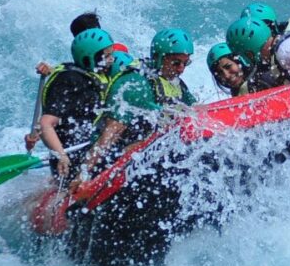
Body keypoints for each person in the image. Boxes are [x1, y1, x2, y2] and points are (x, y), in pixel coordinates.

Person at [83, 28, 196, 175]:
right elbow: (111, 133)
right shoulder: (136, 83)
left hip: (150, 152)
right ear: (158, 58)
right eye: (176, 63)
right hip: (113, 157)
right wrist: (84, 173)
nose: (181, 69)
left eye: (185, 63)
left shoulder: (175, 82)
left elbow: (197, 110)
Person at [37, 28, 115, 185]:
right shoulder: (70, 81)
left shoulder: (93, 76)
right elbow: (45, 123)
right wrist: (61, 156)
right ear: (89, 59)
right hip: (70, 158)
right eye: (107, 56)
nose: (111, 59)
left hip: (89, 148)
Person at [206, 42, 278, 96]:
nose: (226, 75)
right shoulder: (238, 91)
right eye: (219, 73)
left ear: (239, 61)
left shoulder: (265, 78)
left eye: (228, 66)